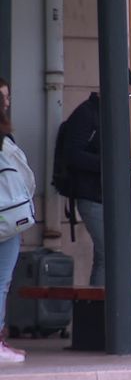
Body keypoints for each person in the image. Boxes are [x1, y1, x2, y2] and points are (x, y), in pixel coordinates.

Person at [64, 70, 131, 286]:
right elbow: (74, 155)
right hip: (91, 194)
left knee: (106, 255)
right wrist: (112, 165)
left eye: (130, 96)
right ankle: (100, 309)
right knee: (109, 254)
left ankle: (100, 308)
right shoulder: (87, 114)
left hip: (103, 193)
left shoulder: (106, 116)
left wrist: (123, 168)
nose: (128, 101)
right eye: (126, 95)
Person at [0, 90, 34, 362]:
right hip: (5, 220)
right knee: (1, 281)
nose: (8, 102)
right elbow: (24, 180)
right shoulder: (5, 145)